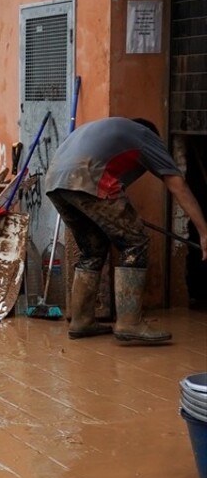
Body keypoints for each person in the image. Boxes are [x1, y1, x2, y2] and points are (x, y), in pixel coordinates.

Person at [45, 116, 207, 345]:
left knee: (93, 250)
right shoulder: (145, 135)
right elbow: (177, 184)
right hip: (87, 178)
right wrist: (204, 232)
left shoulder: (112, 132)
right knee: (135, 240)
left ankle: (81, 321)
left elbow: (110, 193)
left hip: (55, 182)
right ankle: (129, 323)